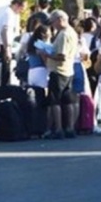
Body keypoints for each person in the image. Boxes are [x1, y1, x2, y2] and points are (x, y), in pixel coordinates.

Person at [40, 10, 79, 138]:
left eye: (53, 21)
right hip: (69, 70)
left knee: (55, 101)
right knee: (68, 101)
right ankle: (70, 127)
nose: (53, 25)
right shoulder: (72, 32)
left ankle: (58, 129)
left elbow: (61, 56)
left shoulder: (63, 34)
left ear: (60, 19)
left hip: (59, 70)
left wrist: (46, 54)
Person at [0, 0, 26, 87]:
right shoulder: (9, 14)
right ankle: (5, 91)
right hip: (3, 44)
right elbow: (5, 31)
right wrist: (7, 48)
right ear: (17, 5)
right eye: (21, 8)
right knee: (5, 70)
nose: (21, 11)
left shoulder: (1, 9)